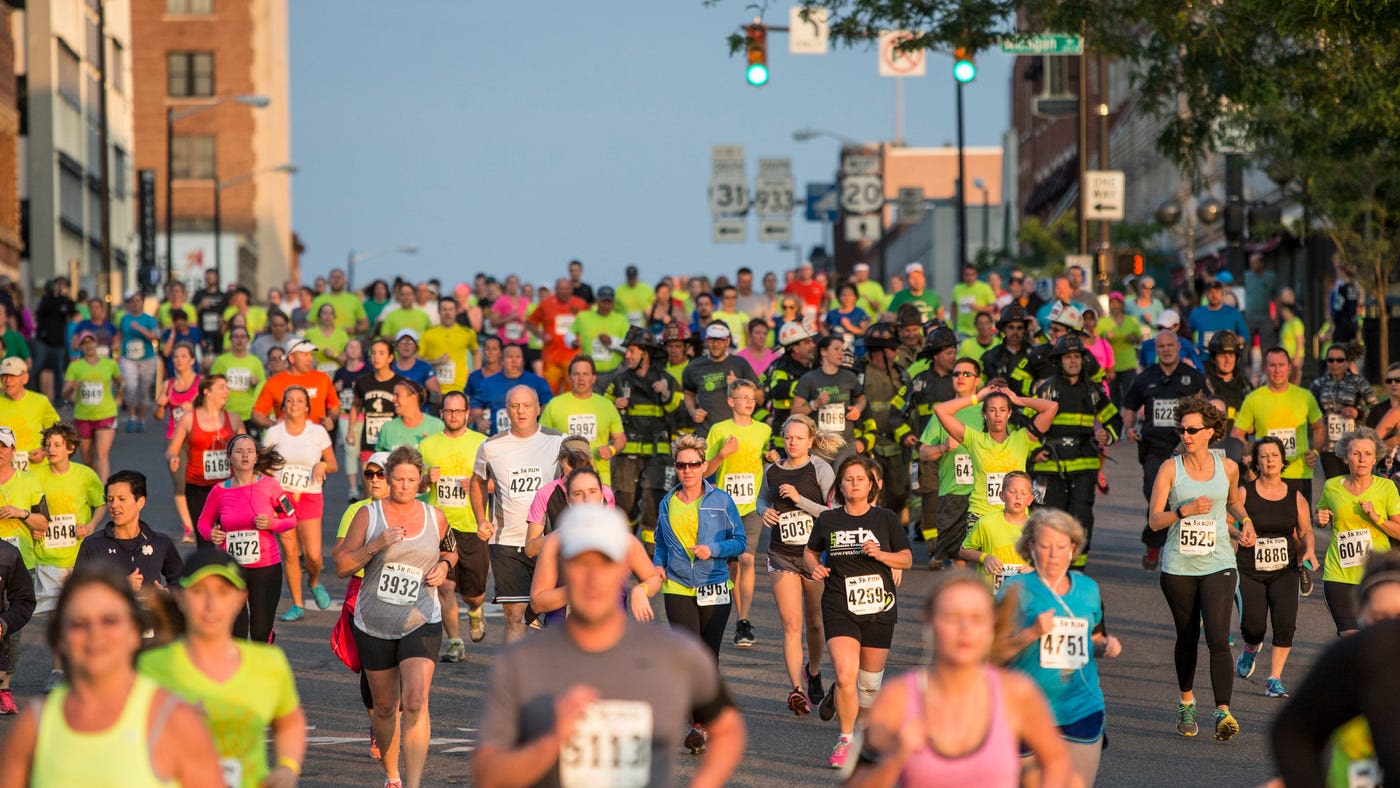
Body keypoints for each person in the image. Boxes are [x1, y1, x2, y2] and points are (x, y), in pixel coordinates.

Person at [475, 503, 745, 787]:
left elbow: (728, 729)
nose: (593, 577)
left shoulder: (675, 654)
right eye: (581, 563)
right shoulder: (521, 662)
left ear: (623, 569)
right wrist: (551, 743)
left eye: (605, 563)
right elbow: (487, 774)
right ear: (564, 567)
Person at [0, 563, 222, 786]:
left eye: (110, 620)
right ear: (60, 638)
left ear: (136, 631)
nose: (95, 634)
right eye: (79, 623)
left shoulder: (176, 722)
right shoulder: (35, 726)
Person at [334, 446, 456, 788]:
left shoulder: (435, 516)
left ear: (421, 482)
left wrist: (445, 565)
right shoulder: (368, 516)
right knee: (386, 708)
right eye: (399, 479)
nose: (404, 486)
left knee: (416, 699)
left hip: (421, 617)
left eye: (411, 480)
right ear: (387, 479)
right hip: (374, 621)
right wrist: (374, 546)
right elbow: (343, 566)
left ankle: (414, 783)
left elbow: (451, 548)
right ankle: (393, 776)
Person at [139, 549, 307, 788]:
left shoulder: (269, 663)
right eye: (198, 592)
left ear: (241, 598)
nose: (211, 605)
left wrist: (287, 768)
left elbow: (289, 722)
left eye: (223, 592)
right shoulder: (150, 668)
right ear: (181, 598)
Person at [1147, 394, 1250, 741]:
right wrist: (1182, 512)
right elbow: (1154, 521)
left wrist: (1245, 521)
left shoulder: (1228, 467)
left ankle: (1223, 712)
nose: (1186, 435)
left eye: (1192, 429)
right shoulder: (1169, 468)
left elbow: (1234, 501)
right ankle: (1187, 701)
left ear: (1210, 432)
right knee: (1188, 636)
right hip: (1178, 565)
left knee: (1218, 637)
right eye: (1181, 429)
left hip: (1219, 560)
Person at [803, 455, 912, 769]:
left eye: (860, 479)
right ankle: (846, 739)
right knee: (846, 674)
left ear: (871, 485)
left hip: (879, 607)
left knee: (868, 686)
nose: (854, 484)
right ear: (840, 485)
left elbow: (905, 559)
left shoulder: (886, 519)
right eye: (848, 479)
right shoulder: (829, 520)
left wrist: (881, 554)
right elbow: (810, 552)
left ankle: (863, 735)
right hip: (839, 604)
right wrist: (815, 568)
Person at [998, 509, 1122, 786]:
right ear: (1030, 546)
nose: (1053, 554)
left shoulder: (1089, 590)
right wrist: (1031, 633)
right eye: (1045, 546)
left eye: (1061, 546)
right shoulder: (1014, 590)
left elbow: (1092, 639)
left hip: (1081, 706)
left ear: (1073, 549)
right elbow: (990, 655)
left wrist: (1104, 648)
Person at [653, 433, 746, 752]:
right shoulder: (668, 501)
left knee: (707, 655)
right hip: (677, 584)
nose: (688, 470)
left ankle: (706, 721)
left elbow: (740, 541)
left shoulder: (721, 499)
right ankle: (698, 724)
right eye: (681, 465)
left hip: (715, 583)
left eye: (694, 464)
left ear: (705, 465)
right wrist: (658, 564)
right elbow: (661, 542)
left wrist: (714, 548)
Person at [757, 414, 838, 716]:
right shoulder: (772, 471)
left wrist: (800, 499)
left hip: (814, 555)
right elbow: (761, 501)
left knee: (815, 622)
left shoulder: (821, 469)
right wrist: (764, 512)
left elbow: (834, 512)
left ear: (811, 441)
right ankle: (797, 690)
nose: (792, 442)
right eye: (788, 437)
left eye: (798, 438)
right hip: (781, 554)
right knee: (792, 625)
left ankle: (813, 671)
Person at [471, 384, 565, 642]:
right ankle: (514, 679)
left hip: (549, 541)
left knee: (550, 613)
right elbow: (477, 481)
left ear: (538, 408)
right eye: (514, 406)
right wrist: (481, 519)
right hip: (507, 541)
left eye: (526, 405)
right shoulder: (491, 446)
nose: (520, 411)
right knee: (515, 615)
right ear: (507, 410)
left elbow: (577, 482)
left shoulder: (559, 441)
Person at [1235, 436, 1315, 700]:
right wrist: (1239, 535)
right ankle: (1250, 648)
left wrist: (1310, 551)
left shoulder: (1296, 496)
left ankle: (1274, 679)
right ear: (1257, 461)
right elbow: (1226, 519)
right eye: (1264, 456)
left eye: (1275, 455)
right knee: (1253, 626)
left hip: (1284, 570)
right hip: (1249, 569)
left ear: (1283, 461)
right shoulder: (1245, 491)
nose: (1270, 460)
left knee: (1285, 623)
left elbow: (1305, 532)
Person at [197, 434, 297, 643]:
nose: (245, 455)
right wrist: (211, 533)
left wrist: (272, 524)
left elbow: (292, 518)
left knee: (260, 631)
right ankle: (240, 673)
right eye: (239, 451)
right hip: (232, 569)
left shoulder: (270, 486)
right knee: (237, 632)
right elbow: (203, 523)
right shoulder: (219, 491)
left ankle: (264, 652)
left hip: (266, 567)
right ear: (230, 458)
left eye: (249, 451)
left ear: (255, 457)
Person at [1030, 334, 1120, 567]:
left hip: (1084, 465)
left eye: (1077, 357)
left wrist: (1107, 434)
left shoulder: (1092, 390)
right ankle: (1049, 566)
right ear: (1059, 360)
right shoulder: (1046, 389)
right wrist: (1034, 451)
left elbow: (1114, 420)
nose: (1073, 361)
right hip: (1050, 466)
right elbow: (1026, 424)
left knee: (1082, 518)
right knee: (1050, 519)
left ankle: (1077, 570)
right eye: (1068, 357)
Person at [1124, 330, 1208, 570]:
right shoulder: (1145, 378)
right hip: (1155, 450)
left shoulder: (1193, 378)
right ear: (1156, 349)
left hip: (1187, 450)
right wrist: (1129, 428)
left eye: (1170, 345)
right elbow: (1129, 407)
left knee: (1186, 498)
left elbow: (1207, 409)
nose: (1166, 350)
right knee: (1156, 497)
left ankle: (1181, 547)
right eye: (1161, 346)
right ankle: (1154, 545)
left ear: (1179, 347)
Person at [30, 423, 105, 689]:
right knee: (57, 615)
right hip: (48, 556)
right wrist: (33, 528)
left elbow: (101, 502)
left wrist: (93, 525)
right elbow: (31, 508)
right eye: (48, 444)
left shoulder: (85, 475)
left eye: (58, 445)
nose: (51, 449)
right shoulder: (35, 475)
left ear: (71, 448)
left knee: (82, 614)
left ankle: (86, 667)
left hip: (79, 556)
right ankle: (58, 670)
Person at [419, 390, 489, 659]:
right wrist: (427, 478)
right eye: (448, 411)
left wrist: (476, 484)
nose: (453, 415)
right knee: (445, 585)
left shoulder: (482, 443)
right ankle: (455, 642)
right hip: (439, 525)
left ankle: (474, 611)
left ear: (467, 414)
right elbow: (417, 485)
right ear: (441, 414)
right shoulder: (427, 445)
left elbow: (495, 484)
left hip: (471, 525)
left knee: (474, 593)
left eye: (458, 411)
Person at [933, 382, 1058, 528]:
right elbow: (940, 410)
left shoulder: (1022, 438)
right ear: (985, 414)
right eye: (992, 410)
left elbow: (1052, 407)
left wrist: (1017, 399)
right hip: (981, 516)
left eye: (1003, 409)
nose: (998, 415)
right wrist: (977, 398)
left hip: (1016, 517)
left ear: (1009, 413)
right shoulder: (974, 439)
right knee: (974, 552)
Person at [261, 386, 337, 621]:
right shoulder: (274, 433)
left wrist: (321, 465)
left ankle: (314, 582)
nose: (294, 404)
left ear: (307, 406)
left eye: (299, 400)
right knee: (291, 553)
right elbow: (263, 466)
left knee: (314, 556)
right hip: (282, 498)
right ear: (283, 406)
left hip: (310, 496)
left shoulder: (317, 432)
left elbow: (333, 464)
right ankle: (297, 604)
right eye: (289, 400)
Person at [1316, 427, 1400, 636]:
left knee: (1376, 638)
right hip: (1339, 574)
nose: (1362, 459)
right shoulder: (1331, 486)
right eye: (1356, 454)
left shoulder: (1386, 487)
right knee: (1350, 637)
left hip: (1374, 575)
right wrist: (1319, 519)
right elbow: (1320, 515)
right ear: (1346, 458)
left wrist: (1377, 518)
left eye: (1368, 454)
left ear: (1375, 459)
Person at [605, 327, 681, 547]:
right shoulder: (619, 381)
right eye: (626, 351)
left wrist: (665, 394)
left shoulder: (666, 379)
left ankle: (650, 558)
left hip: (659, 456)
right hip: (627, 454)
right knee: (624, 506)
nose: (627, 355)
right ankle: (624, 550)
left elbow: (681, 414)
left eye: (631, 351)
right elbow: (603, 407)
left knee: (653, 507)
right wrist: (613, 405)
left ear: (645, 353)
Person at [1233, 347, 1325, 501]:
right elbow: (1237, 434)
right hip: (1265, 474)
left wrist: (1315, 452)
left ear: (1289, 367)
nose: (1277, 370)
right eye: (1272, 365)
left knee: (1301, 523)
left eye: (1281, 365)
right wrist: (1252, 452)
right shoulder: (1254, 398)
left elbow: (1320, 427)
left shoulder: (1304, 396)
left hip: (1299, 473)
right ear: (1265, 368)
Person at [165, 375, 244, 548]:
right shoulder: (188, 418)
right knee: (205, 541)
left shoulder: (234, 419)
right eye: (222, 387)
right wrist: (173, 458)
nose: (227, 391)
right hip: (197, 486)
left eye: (227, 387)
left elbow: (246, 448)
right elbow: (172, 449)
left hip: (229, 487)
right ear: (207, 391)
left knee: (230, 538)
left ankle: (228, 573)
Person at [921, 356, 984, 570]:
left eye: (967, 374)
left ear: (978, 380)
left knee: (990, 551)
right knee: (958, 556)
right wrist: (943, 448)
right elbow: (923, 452)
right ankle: (964, 601)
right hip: (953, 492)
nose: (960, 377)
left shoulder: (988, 410)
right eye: (956, 373)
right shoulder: (944, 410)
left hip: (984, 492)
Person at [540, 356, 625, 487]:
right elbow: (541, 438)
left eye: (585, 374)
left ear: (594, 378)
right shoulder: (554, 405)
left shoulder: (606, 405)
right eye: (576, 374)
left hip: (600, 480)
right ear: (569, 377)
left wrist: (611, 450)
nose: (581, 378)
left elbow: (620, 439)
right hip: (564, 480)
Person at [793, 336, 866, 467]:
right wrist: (815, 404)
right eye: (836, 349)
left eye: (842, 349)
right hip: (819, 445)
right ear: (823, 352)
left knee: (843, 483)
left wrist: (858, 409)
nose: (841, 353)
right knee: (821, 485)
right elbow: (795, 412)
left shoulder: (849, 377)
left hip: (845, 443)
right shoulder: (809, 379)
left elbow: (862, 399)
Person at [61, 331, 122, 481]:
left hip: (105, 413)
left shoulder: (109, 364)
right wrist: (73, 386)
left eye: (91, 341)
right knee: (87, 460)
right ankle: (93, 488)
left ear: (96, 343)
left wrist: (119, 398)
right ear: (81, 347)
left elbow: (121, 381)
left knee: (102, 456)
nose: (88, 345)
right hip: (83, 415)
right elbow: (64, 395)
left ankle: (104, 495)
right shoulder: (75, 367)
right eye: (84, 343)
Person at [1311, 343, 1377, 479]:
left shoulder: (1358, 382)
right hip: (1329, 446)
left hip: (1355, 445)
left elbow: (1376, 410)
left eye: (1339, 360)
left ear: (1347, 362)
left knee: (1357, 484)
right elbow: (1309, 410)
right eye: (1331, 360)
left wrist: (1358, 413)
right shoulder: (1319, 384)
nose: (1335, 364)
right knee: (1335, 487)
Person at [960, 471, 1034, 592]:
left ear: (1030, 499)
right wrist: (985, 557)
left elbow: (1046, 562)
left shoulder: (1036, 528)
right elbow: (964, 551)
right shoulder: (986, 523)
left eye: (1024, 493)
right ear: (1002, 495)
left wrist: (1033, 569)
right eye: (1012, 491)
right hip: (989, 596)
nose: (1018, 497)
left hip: (1024, 596)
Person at [683, 322, 760, 434]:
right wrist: (693, 412)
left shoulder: (740, 363)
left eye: (720, 340)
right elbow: (688, 394)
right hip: (706, 435)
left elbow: (760, 396)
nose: (715, 344)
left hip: (736, 433)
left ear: (728, 341)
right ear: (706, 341)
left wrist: (737, 384)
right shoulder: (694, 366)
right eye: (711, 340)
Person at [250, 339, 340, 435]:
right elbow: (257, 414)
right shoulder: (274, 382)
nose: (310, 359)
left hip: (317, 439)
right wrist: (274, 424)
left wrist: (330, 419)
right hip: (286, 441)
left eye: (310, 354)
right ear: (292, 358)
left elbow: (334, 406)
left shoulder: (323, 378)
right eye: (305, 355)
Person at [470, 344, 553, 436]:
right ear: (501, 360)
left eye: (518, 357)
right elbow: (476, 403)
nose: (514, 360)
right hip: (497, 437)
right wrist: (479, 420)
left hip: (528, 436)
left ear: (523, 360)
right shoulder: (488, 383)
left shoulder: (537, 382)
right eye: (510, 357)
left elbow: (549, 404)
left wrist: (534, 416)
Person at [0, 356, 61, 474]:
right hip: (3, 473)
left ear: (25, 378)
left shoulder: (40, 401)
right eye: (4, 376)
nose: (7, 381)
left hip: (36, 471)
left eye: (13, 376)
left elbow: (57, 431)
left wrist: (44, 450)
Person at [529, 277, 588, 393]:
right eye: (561, 289)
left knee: (572, 393)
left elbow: (588, 325)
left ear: (571, 289)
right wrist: (541, 335)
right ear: (556, 289)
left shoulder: (580, 304)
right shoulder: (546, 304)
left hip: (572, 358)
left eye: (566, 288)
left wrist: (581, 339)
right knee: (548, 393)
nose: (564, 291)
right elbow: (531, 323)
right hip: (551, 358)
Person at [420, 297, 479, 395]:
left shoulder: (467, 333)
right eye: (444, 309)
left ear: (456, 311)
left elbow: (476, 352)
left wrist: (475, 374)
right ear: (439, 311)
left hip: (460, 388)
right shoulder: (428, 334)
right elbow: (418, 362)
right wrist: (436, 362)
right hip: (434, 389)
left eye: (451, 309)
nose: (448, 313)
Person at [210, 325, 266, 425]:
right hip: (226, 411)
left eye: (243, 336)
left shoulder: (256, 362)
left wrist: (256, 383)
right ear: (230, 339)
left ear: (248, 340)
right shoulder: (220, 361)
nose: (239, 340)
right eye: (236, 337)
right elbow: (211, 386)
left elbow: (263, 388)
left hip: (249, 413)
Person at [376, 379, 445, 453]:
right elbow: (378, 459)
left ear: (413, 397)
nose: (393, 399)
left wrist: (430, 448)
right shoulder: (387, 428)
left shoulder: (437, 426)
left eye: (397, 395)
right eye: (393, 395)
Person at [311, 267, 370, 335]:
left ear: (345, 281)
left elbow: (365, 325)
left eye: (339, 277)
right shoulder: (318, 300)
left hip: (347, 343)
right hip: (322, 343)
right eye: (333, 277)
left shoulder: (354, 300)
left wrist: (354, 329)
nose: (336, 280)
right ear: (328, 281)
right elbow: (310, 323)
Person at [951, 264, 996, 338]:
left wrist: (977, 308)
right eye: (967, 275)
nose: (970, 277)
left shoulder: (985, 287)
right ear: (963, 275)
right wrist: (954, 321)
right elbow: (953, 306)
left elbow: (992, 308)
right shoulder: (957, 288)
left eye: (972, 274)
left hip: (981, 330)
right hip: (962, 330)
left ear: (976, 275)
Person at [304, 303, 350, 375]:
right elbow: (302, 355)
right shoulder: (310, 333)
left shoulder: (342, 334)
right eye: (324, 313)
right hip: (315, 372)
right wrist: (311, 362)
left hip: (337, 373)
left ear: (334, 316)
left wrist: (334, 355)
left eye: (330, 313)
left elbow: (348, 360)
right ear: (319, 316)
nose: (327, 316)